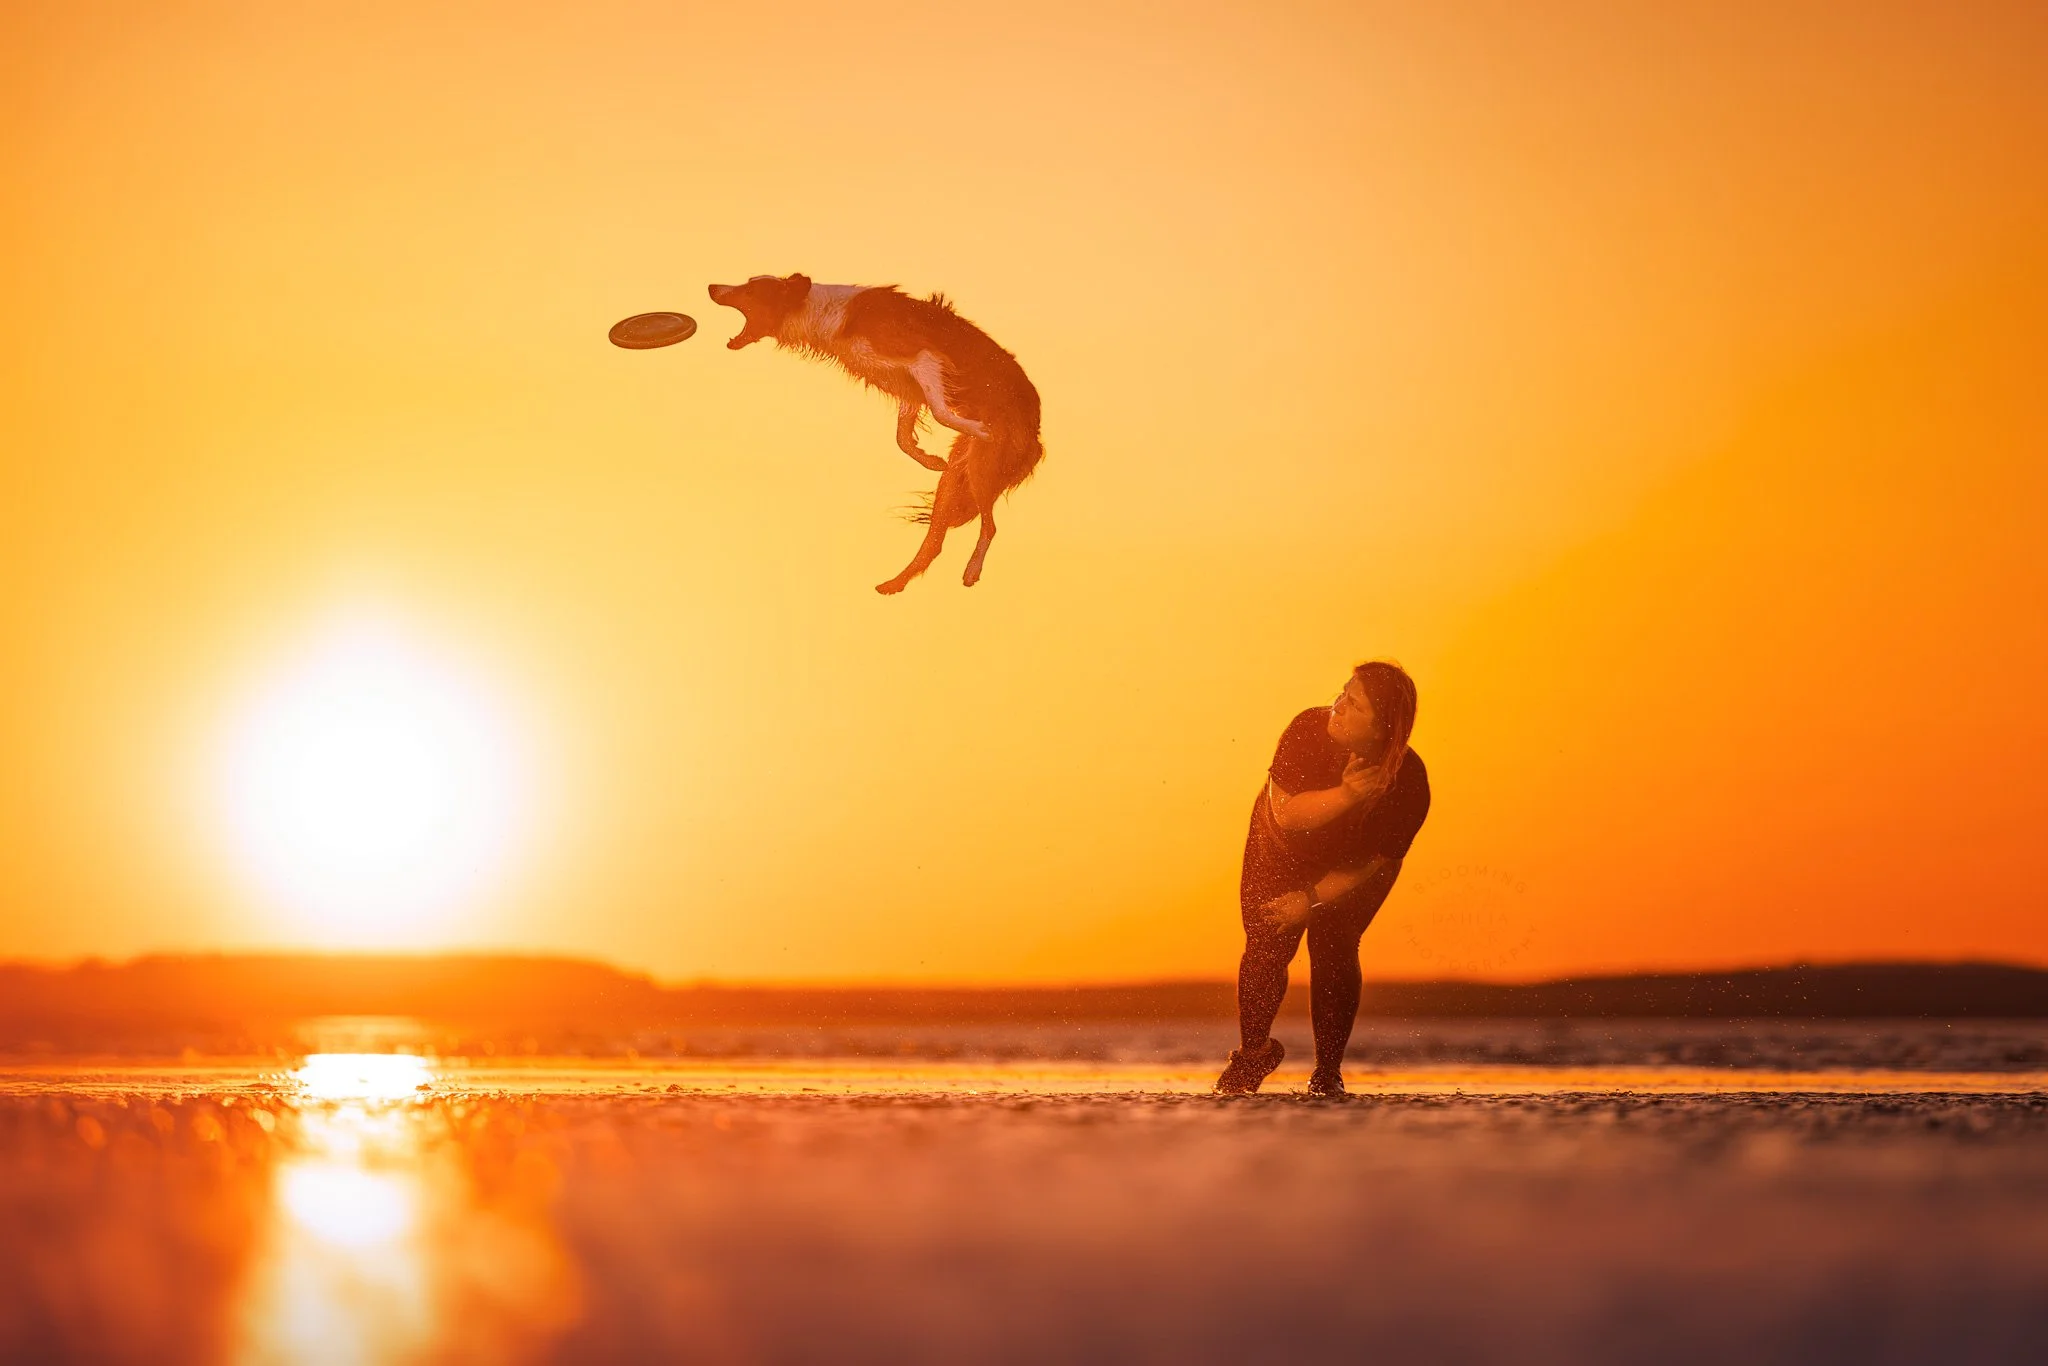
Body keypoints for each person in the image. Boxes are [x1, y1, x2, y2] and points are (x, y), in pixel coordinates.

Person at [1215, 661, 1430, 1096]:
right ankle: (1254, 1053)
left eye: (1354, 705)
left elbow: (1369, 864)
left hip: (1350, 869)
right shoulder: (1305, 731)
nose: (1337, 706)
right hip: (1278, 846)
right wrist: (1349, 794)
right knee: (1266, 938)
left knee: (1335, 943)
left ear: (1382, 729)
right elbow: (1289, 816)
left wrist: (1310, 899)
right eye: (1342, 693)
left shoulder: (1409, 782)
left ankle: (1327, 1072)